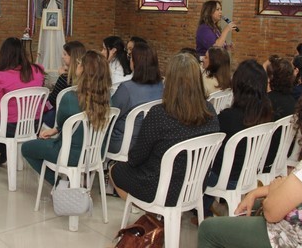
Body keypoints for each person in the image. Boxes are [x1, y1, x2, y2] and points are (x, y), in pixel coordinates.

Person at [198, 89, 302, 248]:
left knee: (208, 229)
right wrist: (256, 192)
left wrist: (274, 190)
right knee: (253, 206)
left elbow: (271, 214)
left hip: (294, 240)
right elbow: (301, 185)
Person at [109, 53, 219, 204]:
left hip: (159, 189)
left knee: (115, 170)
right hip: (195, 186)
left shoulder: (159, 114)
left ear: (170, 81)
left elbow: (136, 157)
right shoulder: (210, 111)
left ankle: (150, 213)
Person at [22, 50, 112, 184]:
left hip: (70, 154)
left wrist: (55, 130)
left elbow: (62, 122)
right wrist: (55, 130)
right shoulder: (107, 98)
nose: (77, 65)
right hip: (96, 153)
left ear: (84, 70)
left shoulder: (69, 97)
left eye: (79, 63)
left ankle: (59, 183)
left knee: (26, 148)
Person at [203, 59, 273, 216]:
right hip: (248, 175)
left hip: (224, 179)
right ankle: (213, 205)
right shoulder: (266, 114)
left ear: (238, 86)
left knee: (197, 165)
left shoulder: (228, 117)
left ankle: (203, 209)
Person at [0, 37, 45, 165]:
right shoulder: (38, 71)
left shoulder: (2, 76)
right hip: (34, 124)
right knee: (0, 121)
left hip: (11, 127)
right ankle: (3, 151)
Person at [109, 42, 164, 154]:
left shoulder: (127, 89)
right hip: (148, 143)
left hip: (122, 143)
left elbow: (110, 114)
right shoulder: (161, 86)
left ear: (135, 62)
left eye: (131, 58)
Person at [262, 55, 296, 171]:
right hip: (283, 155)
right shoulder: (293, 101)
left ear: (270, 77)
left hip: (264, 157)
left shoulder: (265, 102)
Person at [42, 40, 86, 127]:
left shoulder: (64, 78)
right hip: (80, 118)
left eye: (65, 54)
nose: (62, 57)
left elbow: (51, 102)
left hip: (59, 118)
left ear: (73, 57)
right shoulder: (86, 78)